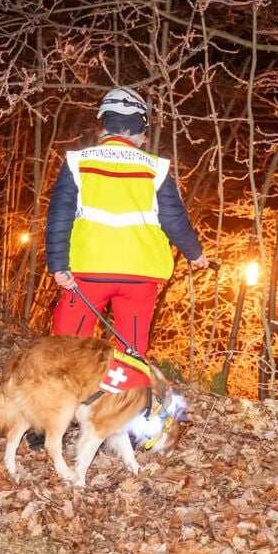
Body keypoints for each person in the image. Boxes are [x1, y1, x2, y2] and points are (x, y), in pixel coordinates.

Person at [44, 86, 209, 357]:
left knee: (67, 350)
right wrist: (195, 254)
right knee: (131, 353)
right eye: (144, 132)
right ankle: (127, 396)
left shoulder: (78, 161)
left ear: (106, 125)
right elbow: (174, 219)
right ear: (136, 129)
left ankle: (66, 397)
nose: (145, 138)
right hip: (140, 276)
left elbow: (59, 216)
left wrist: (58, 264)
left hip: (87, 272)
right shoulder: (154, 167)